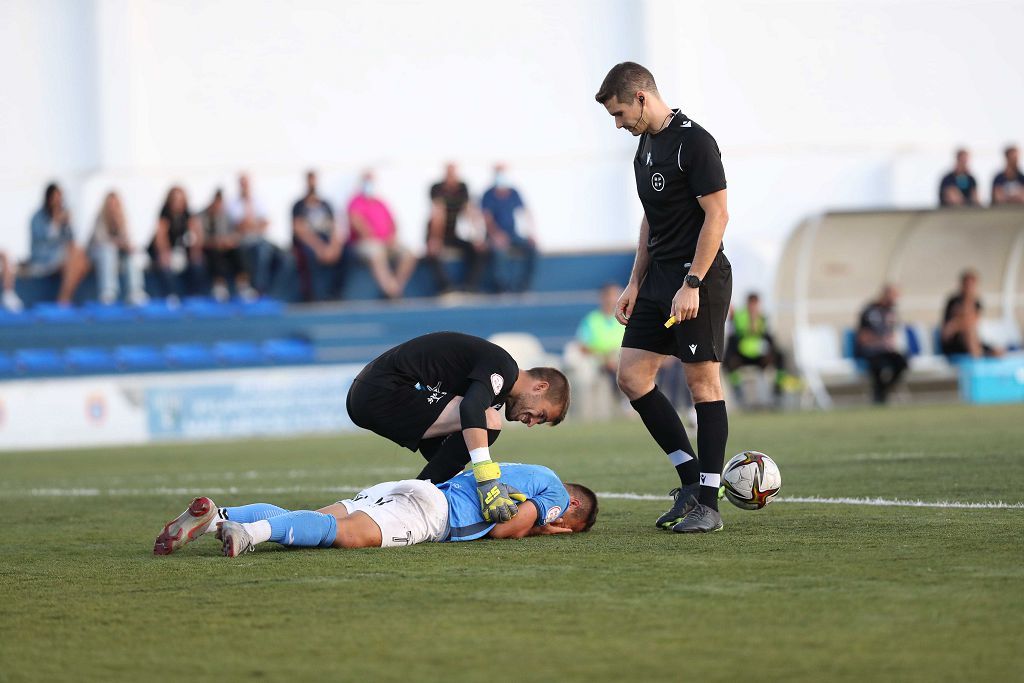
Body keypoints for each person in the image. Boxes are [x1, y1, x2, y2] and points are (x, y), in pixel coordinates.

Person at [595, 62, 732, 534]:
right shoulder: (644, 146)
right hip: (656, 281)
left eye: (619, 113)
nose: (618, 124)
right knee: (632, 376)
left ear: (641, 97)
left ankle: (709, 504)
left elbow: (717, 216)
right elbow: (651, 220)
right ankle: (691, 483)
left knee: (702, 387)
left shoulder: (694, 141)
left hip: (699, 278)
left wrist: (692, 283)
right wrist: (635, 281)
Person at [346, 331, 570, 522]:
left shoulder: (496, 392)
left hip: (370, 394)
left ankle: (406, 505)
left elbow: (446, 449)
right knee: (488, 420)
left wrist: (459, 485)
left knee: (463, 448)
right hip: (382, 391)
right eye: (541, 415)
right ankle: (411, 503)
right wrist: (486, 479)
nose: (532, 423)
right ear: (540, 387)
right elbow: (470, 408)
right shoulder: (505, 367)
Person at [153, 463, 598, 556]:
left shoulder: (527, 470)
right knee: (339, 534)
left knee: (308, 516)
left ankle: (220, 517)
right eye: (568, 522)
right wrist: (543, 527)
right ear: (573, 505)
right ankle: (248, 536)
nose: (560, 520)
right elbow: (506, 530)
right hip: (434, 514)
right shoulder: (556, 492)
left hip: (411, 488)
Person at [347, 170, 417, 299]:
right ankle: (390, 289)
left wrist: (392, 237)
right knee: (377, 253)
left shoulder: (380, 202)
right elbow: (356, 221)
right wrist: (373, 237)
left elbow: (393, 222)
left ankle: (395, 288)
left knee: (409, 254)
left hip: (386, 242)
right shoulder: (356, 201)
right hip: (366, 244)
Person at [425, 163, 486, 293]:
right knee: (434, 253)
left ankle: (470, 286)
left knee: (477, 251)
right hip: (434, 234)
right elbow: (438, 216)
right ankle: (445, 287)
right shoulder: (436, 188)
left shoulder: (462, 188)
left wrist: (478, 237)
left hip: (452, 234)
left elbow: (470, 211)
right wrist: (435, 239)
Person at [27, 182, 90, 305]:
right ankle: (64, 299)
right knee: (80, 260)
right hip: (43, 258)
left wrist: (67, 224)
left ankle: (63, 298)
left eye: (59, 198)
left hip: (63, 258)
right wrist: (56, 221)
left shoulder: (64, 215)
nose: (57, 202)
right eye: (55, 198)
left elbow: (71, 240)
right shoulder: (37, 217)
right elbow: (42, 241)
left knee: (80, 258)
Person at [481, 163, 538, 293]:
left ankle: (524, 287)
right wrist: (496, 235)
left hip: (512, 234)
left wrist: (531, 233)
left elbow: (525, 213)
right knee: (499, 251)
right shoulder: (488, 195)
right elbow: (487, 218)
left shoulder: (513, 193)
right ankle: (502, 288)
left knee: (532, 248)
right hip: (494, 236)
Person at [724, 293, 786, 404]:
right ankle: (738, 391)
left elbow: (765, 336)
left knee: (780, 356)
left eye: (755, 304)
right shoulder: (740, 316)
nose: (754, 307)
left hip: (759, 355)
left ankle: (778, 390)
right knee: (730, 361)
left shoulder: (762, 317)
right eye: (752, 304)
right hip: (742, 354)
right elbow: (736, 331)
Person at [88, 191, 148, 305]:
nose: (113, 207)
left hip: (117, 255)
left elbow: (127, 240)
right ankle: (108, 291)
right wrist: (118, 243)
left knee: (130, 255)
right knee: (108, 250)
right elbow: (100, 241)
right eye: (110, 204)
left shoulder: (123, 219)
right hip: (99, 255)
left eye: (115, 204)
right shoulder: (100, 218)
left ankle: (135, 291)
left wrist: (126, 246)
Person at [292, 170, 343, 301]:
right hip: (309, 242)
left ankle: (335, 293)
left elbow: (334, 227)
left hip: (326, 240)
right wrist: (319, 248)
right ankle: (314, 295)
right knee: (309, 255)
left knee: (345, 254)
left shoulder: (326, 204)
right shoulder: (299, 205)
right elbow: (300, 230)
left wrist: (333, 247)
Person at [854, 284, 909, 404]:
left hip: (885, 350)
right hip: (870, 351)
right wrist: (880, 340)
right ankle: (879, 394)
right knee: (878, 366)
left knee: (902, 362)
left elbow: (892, 334)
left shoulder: (891, 312)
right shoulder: (869, 311)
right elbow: (862, 337)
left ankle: (883, 390)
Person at [147, 186, 204, 302]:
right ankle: (171, 293)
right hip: (162, 251)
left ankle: (194, 294)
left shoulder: (188, 214)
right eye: (175, 200)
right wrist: (166, 253)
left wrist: (194, 251)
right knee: (164, 262)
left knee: (198, 262)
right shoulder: (164, 214)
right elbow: (160, 238)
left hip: (179, 251)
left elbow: (196, 234)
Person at [199, 189, 256, 301]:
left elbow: (235, 234)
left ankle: (243, 285)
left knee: (238, 253)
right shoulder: (201, 217)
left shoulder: (226, 216)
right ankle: (219, 286)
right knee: (214, 255)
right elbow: (200, 238)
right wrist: (216, 242)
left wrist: (229, 241)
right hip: (210, 248)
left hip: (226, 248)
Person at [227, 173, 277, 294]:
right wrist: (254, 224)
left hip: (259, 240)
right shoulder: (232, 203)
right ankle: (256, 288)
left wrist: (250, 224)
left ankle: (263, 289)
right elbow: (239, 225)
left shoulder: (259, 200)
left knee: (268, 252)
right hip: (242, 242)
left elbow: (265, 223)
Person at [940, 270, 1002, 358]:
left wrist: (959, 321)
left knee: (996, 350)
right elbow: (947, 331)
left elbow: (972, 322)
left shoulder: (977, 303)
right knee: (968, 332)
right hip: (954, 342)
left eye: (971, 285)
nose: (969, 288)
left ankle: (979, 353)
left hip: (970, 340)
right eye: (967, 285)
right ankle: (978, 354)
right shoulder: (953, 301)